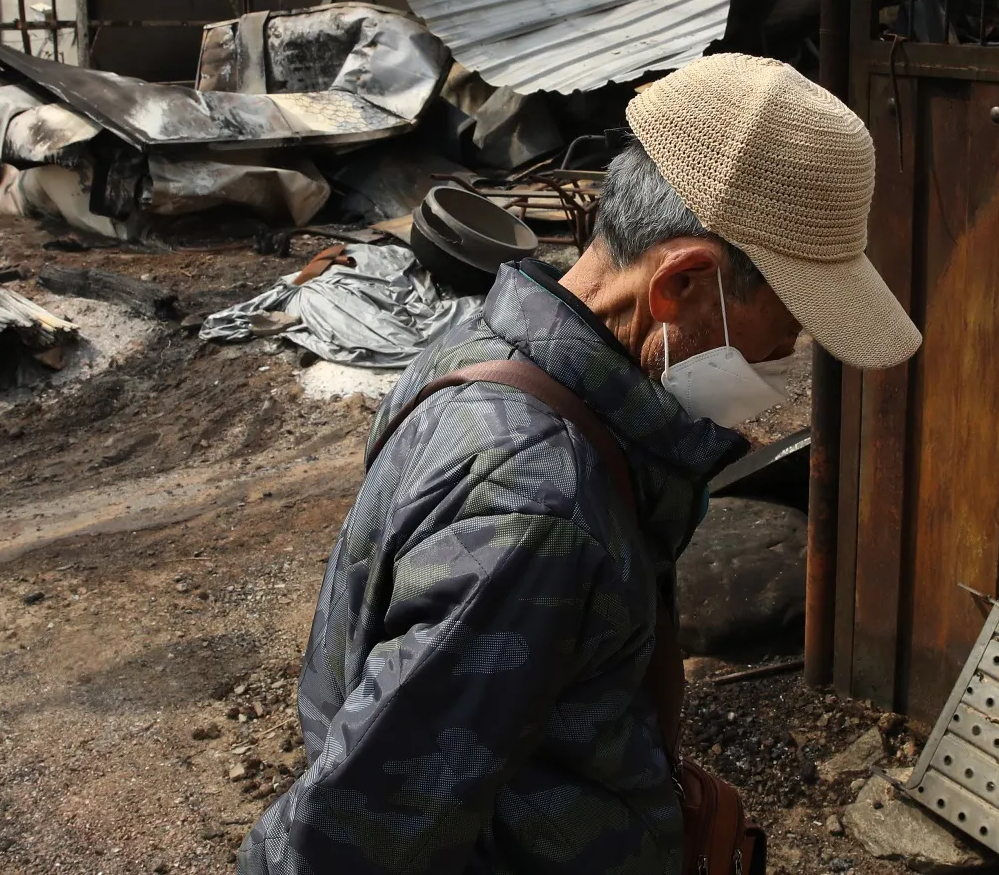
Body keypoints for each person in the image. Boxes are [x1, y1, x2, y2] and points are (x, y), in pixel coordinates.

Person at [238, 53, 922, 875]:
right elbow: (348, 843)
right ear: (681, 283)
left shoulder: (487, 347)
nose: (781, 361)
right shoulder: (541, 506)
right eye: (786, 328)